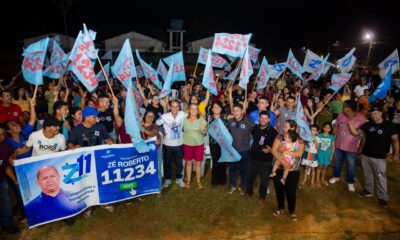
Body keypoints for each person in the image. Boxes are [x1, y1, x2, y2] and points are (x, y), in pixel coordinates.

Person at [68, 106, 114, 216]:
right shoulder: (77, 130)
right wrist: (74, 147)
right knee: (87, 185)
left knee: (101, 181)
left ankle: (104, 202)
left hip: (99, 160)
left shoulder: (100, 126)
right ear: (87, 118)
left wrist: (109, 140)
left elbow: (107, 138)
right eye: (94, 117)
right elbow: (69, 144)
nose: (96, 119)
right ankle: (88, 207)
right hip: (85, 163)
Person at [356, 106, 399, 207]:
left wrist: (396, 153)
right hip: (366, 154)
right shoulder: (368, 124)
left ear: (380, 113)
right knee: (367, 174)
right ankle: (368, 189)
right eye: (371, 114)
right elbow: (358, 133)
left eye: (375, 113)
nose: (373, 116)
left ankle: (383, 196)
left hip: (379, 157)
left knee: (380, 176)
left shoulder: (389, 125)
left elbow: (395, 140)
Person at [329, 100, 367, 192]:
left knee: (351, 165)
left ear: (350, 108)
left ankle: (350, 182)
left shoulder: (361, 119)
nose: (343, 108)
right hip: (338, 145)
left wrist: (362, 146)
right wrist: (334, 129)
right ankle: (336, 176)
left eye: (345, 106)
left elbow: (364, 135)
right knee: (337, 163)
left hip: (351, 148)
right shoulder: (340, 115)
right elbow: (336, 127)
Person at [271, 120, 305, 221]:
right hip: (279, 168)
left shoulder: (300, 139)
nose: (283, 128)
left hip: (293, 170)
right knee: (279, 189)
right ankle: (280, 208)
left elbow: (299, 154)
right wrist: (283, 161)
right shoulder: (280, 136)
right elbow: (273, 150)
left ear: (293, 128)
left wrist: (285, 152)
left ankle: (292, 211)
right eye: (284, 126)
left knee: (291, 191)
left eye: (285, 126)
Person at [245, 111, 277, 202]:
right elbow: (253, 138)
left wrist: (271, 150)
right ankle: (249, 192)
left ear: (269, 119)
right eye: (261, 118)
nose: (263, 120)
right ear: (259, 118)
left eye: (265, 118)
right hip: (253, 158)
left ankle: (262, 196)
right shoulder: (255, 128)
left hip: (265, 161)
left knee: (264, 180)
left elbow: (277, 146)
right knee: (251, 177)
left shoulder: (273, 132)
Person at [156, 100, 186, 188]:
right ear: (170, 107)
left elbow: (192, 117)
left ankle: (179, 178)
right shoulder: (165, 116)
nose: (175, 108)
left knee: (179, 163)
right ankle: (167, 179)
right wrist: (162, 130)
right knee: (167, 163)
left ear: (179, 107)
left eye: (177, 106)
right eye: (173, 106)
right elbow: (156, 123)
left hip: (179, 143)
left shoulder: (182, 114)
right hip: (167, 144)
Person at [227, 103, 255, 195]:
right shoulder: (230, 121)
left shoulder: (248, 121)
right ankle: (232, 184)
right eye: (234, 110)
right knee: (232, 168)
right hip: (233, 150)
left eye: (237, 110)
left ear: (242, 111)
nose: (235, 112)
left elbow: (256, 131)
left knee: (244, 169)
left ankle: (243, 185)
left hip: (245, 150)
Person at [183, 104, 207, 189]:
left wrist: (203, 131)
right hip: (187, 144)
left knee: (198, 163)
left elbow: (204, 132)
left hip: (198, 144)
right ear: (188, 110)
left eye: (195, 109)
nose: (193, 110)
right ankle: (188, 180)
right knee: (188, 163)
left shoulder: (201, 120)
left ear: (197, 111)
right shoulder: (184, 120)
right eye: (192, 109)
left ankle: (198, 181)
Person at [0, 125, 19, 234]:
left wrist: (14, 179)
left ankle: (6, 224)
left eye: (3, 134)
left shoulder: (6, 146)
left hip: (1, 179)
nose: (0, 137)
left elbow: (6, 166)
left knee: (5, 201)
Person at [208, 102, 228, 187]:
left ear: (221, 109)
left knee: (222, 161)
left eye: (218, 107)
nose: (216, 108)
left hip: (223, 144)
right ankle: (214, 181)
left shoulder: (225, 117)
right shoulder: (209, 118)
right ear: (212, 109)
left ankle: (222, 180)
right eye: (214, 107)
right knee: (215, 162)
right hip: (213, 143)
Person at [315, 122, 335, 187]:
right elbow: (316, 146)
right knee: (319, 167)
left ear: (330, 129)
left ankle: (322, 179)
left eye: (328, 128)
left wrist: (332, 155)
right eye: (325, 127)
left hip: (328, 154)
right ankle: (317, 181)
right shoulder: (319, 135)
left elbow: (333, 146)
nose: (326, 129)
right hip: (320, 153)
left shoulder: (332, 137)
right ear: (323, 128)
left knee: (325, 167)